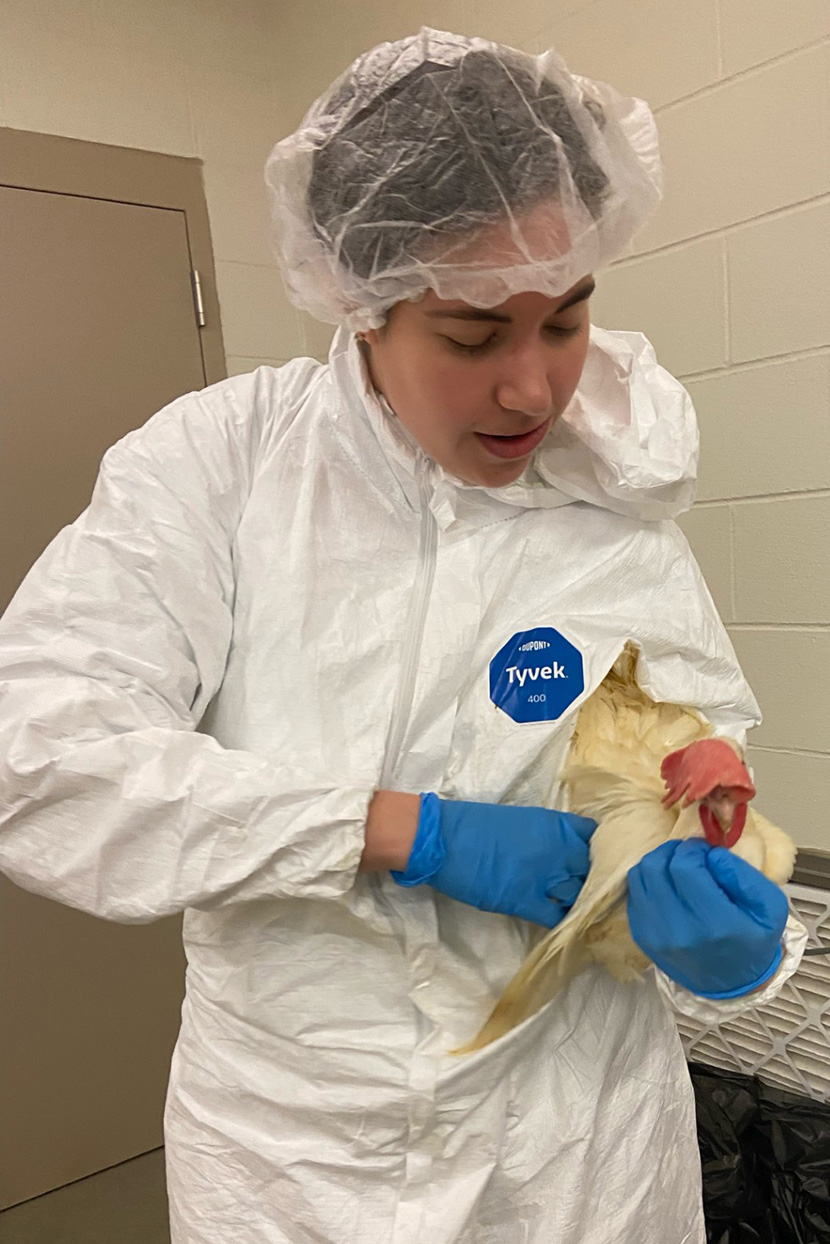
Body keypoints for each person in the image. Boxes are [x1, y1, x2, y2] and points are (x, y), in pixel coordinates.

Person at [0, 28, 806, 1244]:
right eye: (474, 335)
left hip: (578, 1153)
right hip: (305, 1156)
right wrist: (393, 829)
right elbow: (38, 757)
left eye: (566, 318)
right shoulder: (224, 467)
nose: (532, 390)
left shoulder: (609, 486)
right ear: (361, 305)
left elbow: (689, 749)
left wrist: (722, 902)